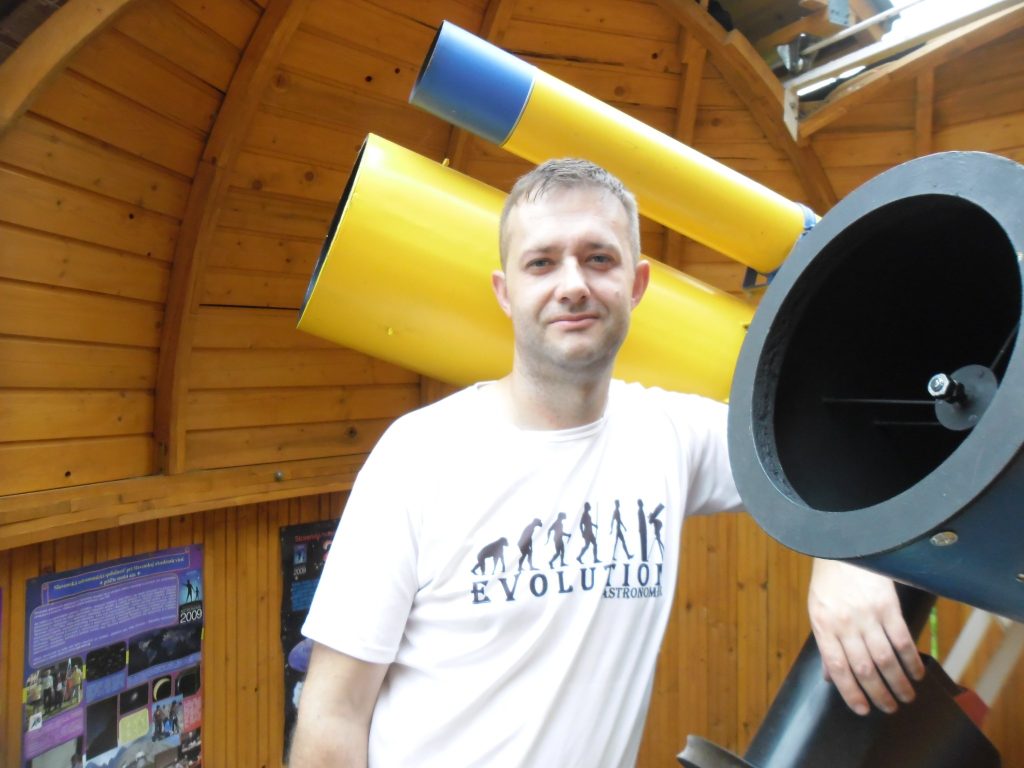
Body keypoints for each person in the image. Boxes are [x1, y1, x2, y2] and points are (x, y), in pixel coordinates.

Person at [290, 159, 925, 767]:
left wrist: (845, 556)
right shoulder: (417, 456)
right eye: (542, 263)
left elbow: (825, 452)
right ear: (506, 293)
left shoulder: (671, 434)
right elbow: (333, 712)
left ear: (637, 284)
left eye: (599, 258)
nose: (573, 285)